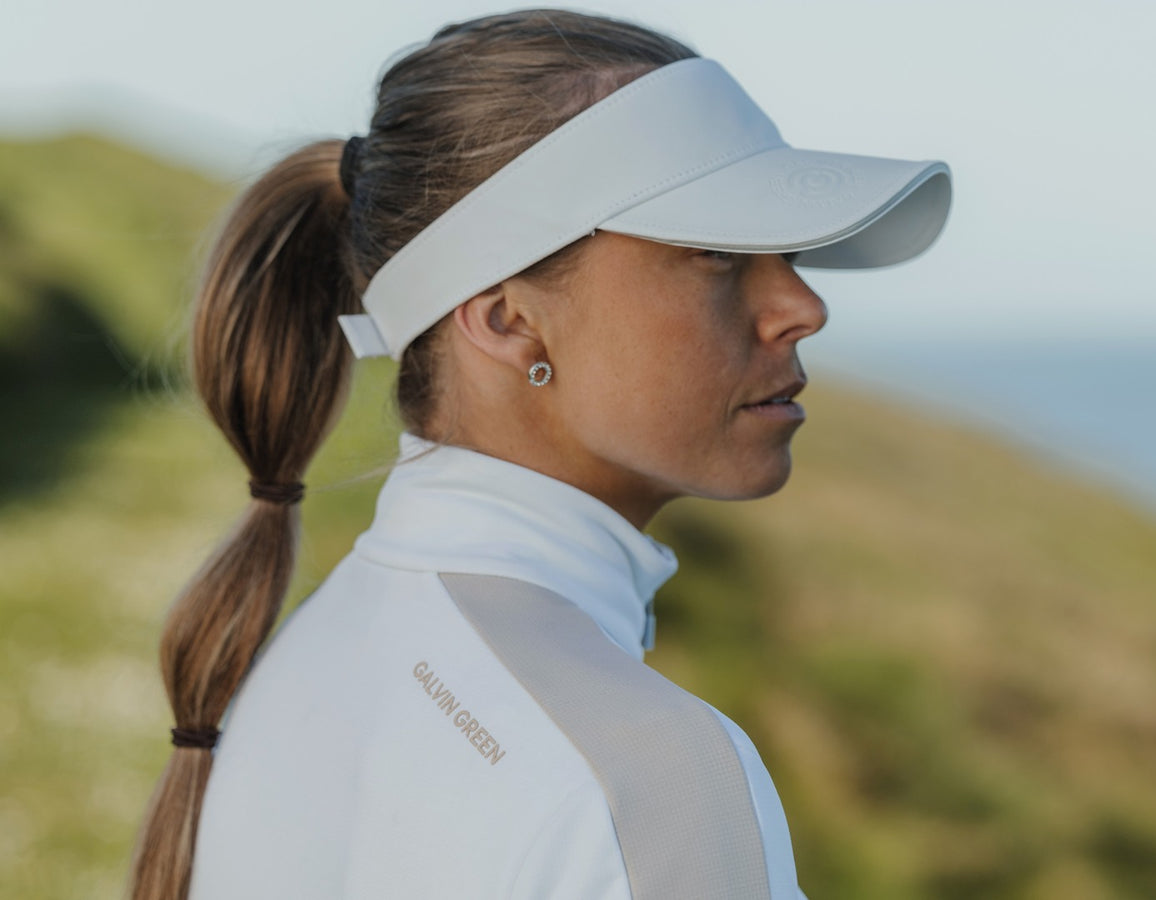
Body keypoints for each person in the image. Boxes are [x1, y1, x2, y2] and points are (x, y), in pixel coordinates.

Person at [127, 8, 951, 899]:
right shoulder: (651, 784)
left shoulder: (294, 665)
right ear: (507, 319)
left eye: (783, 248)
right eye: (716, 249)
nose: (802, 306)